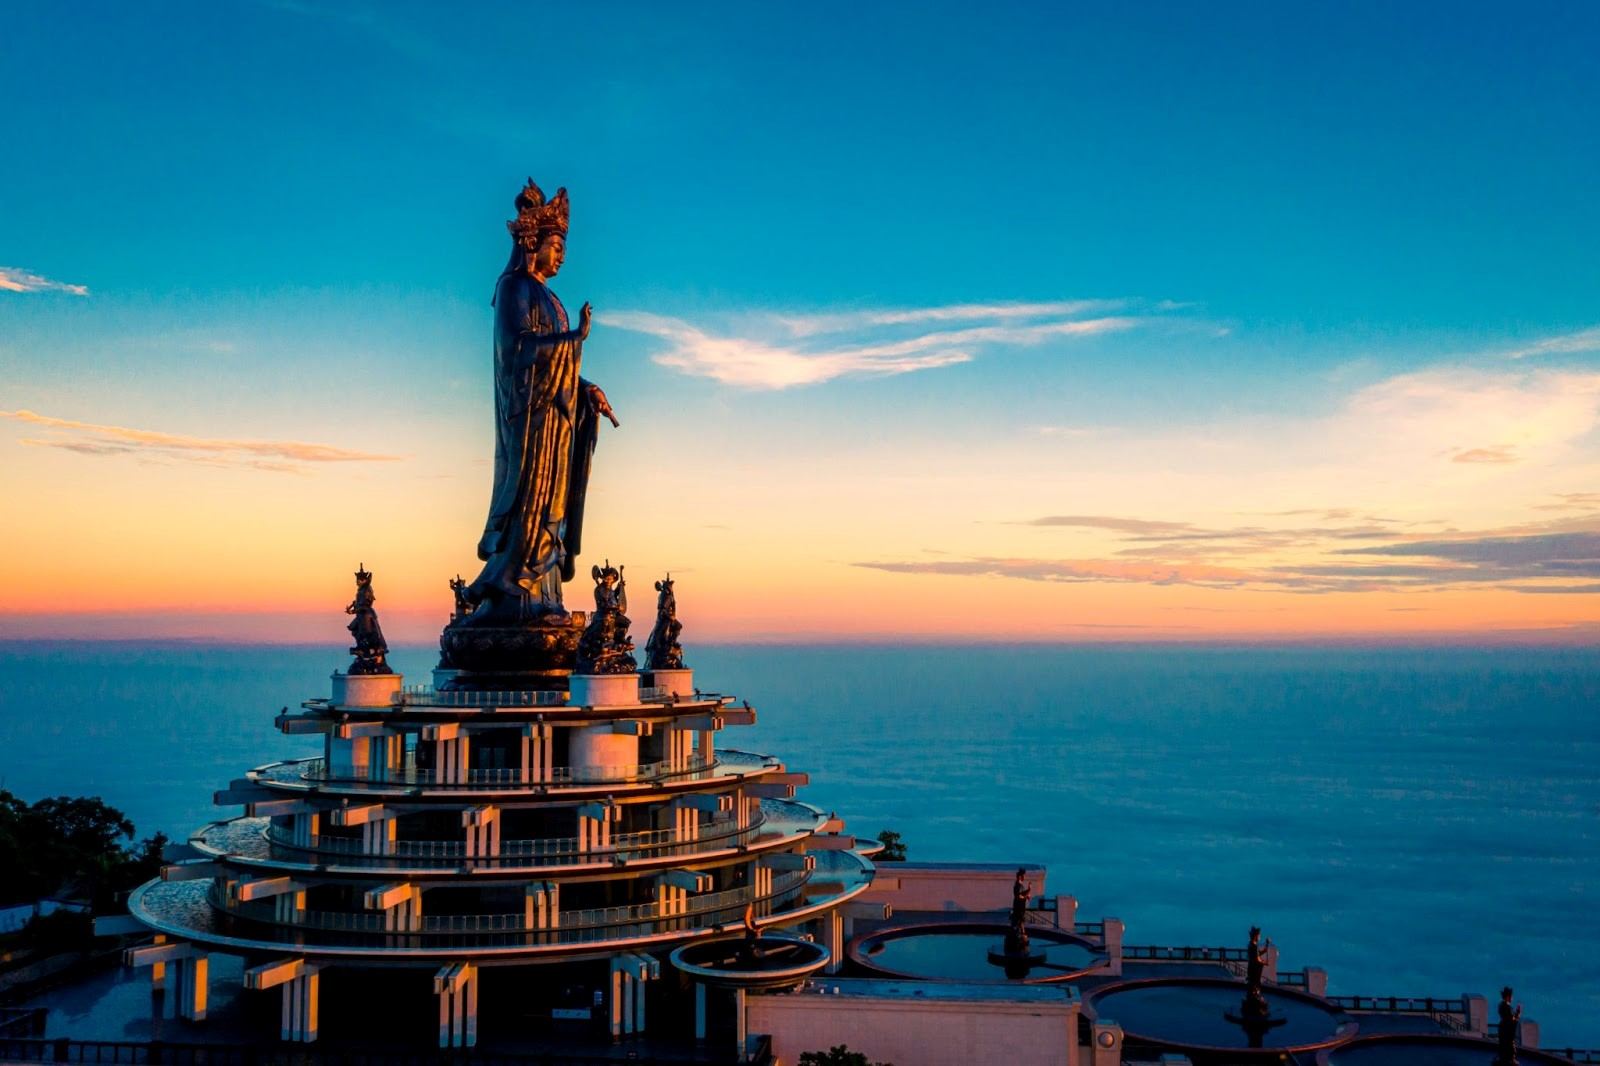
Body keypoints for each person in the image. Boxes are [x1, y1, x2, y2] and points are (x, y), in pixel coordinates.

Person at [468, 179, 616, 625]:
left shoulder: (552, 298)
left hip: (557, 420)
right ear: (535, 244)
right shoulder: (513, 288)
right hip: (530, 422)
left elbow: (560, 361)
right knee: (531, 502)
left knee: (553, 503)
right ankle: (511, 585)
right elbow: (519, 349)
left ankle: (545, 591)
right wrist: (575, 338)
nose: (563, 255)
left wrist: (586, 387)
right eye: (558, 245)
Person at [1497, 986, 1522, 1064]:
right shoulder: (1506, 1007)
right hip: (1507, 1030)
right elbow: (1511, 1019)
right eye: (1511, 996)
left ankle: (1506, 1058)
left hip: (1504, 1029)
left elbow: (1511, 1017)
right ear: (1508, 997)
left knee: (1504, 1045)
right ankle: (1510, 1059)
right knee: (1509, 1045)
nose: (1512, 998)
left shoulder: (1503, 1006)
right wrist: (1518, 1013)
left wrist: (1517, 1013)